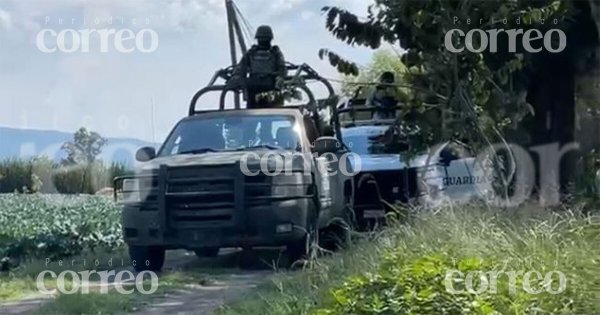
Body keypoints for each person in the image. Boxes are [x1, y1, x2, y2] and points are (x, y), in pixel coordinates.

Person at [229, 25, 287, 109]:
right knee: (252, 113)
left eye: (264, 39)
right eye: (261, 39)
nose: (262, 41)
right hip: (254, 87)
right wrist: (236, 78)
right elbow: (241, 67)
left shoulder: (275, 52)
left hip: (270, 87)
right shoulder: (252, 53)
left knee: (268, 113)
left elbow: (282, 68)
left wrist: (280, 78)